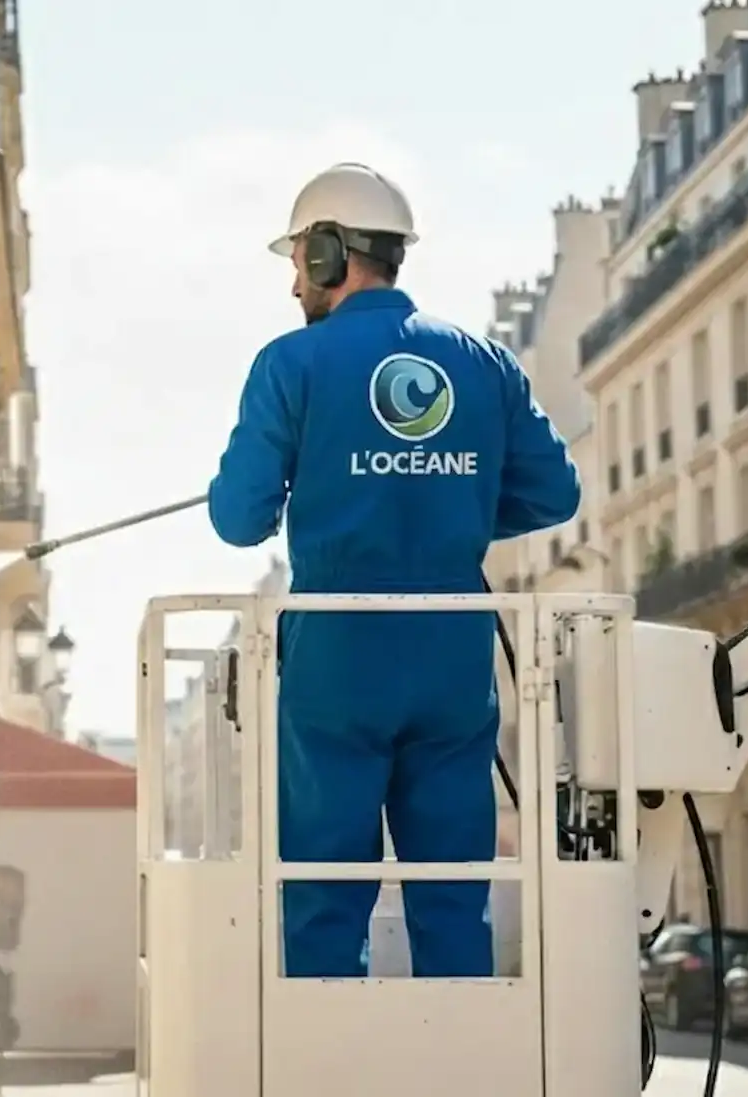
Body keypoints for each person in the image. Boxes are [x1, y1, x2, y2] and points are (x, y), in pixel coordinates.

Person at [205, 163, 581, 979]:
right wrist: (451, 514)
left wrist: (325, 490)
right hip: (453, 656)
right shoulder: (484, 362)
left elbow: (238, 518)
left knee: (324, 891)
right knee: (453, 892)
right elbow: (556, 493)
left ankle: (329, 1066)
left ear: (329, 254)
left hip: (339, 657)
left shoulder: (291, 364)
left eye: (299, 258)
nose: (293, 283)